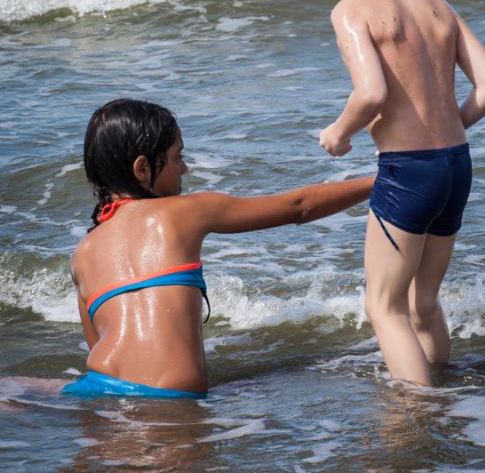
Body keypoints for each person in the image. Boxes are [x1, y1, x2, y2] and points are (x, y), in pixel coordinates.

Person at [62, 98, 374, 399]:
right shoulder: (184, 212)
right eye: (177, 156)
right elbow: (300, 206)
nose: (183, 168)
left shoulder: (83, 253)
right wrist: (380, 181)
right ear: (142, 169)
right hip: (167, 400)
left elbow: (98, 343)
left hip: (98, 392)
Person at [318, 0, 485, 386]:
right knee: (423, 303)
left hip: (408, 172)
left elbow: (372, 93)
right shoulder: (438, 7)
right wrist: (452, 126)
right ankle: (442, 387)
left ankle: (419, 414)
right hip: (456, 165)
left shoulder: (351, 11)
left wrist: (339, 132)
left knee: (384, 306)